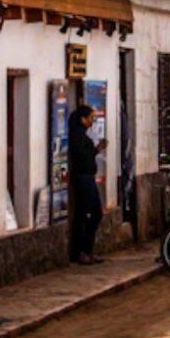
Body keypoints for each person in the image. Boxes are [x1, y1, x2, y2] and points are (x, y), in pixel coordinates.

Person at [68, 104, 107, 265]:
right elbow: (82, 156)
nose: (92, 121)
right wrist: (97, 149)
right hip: (82, 178)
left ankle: (87, 249)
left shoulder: (82, 134)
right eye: (91, 118)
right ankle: (80, 251)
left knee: (95, 213)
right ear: (83, 119)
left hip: (88, 177)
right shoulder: (77, 136)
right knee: (83, 215)